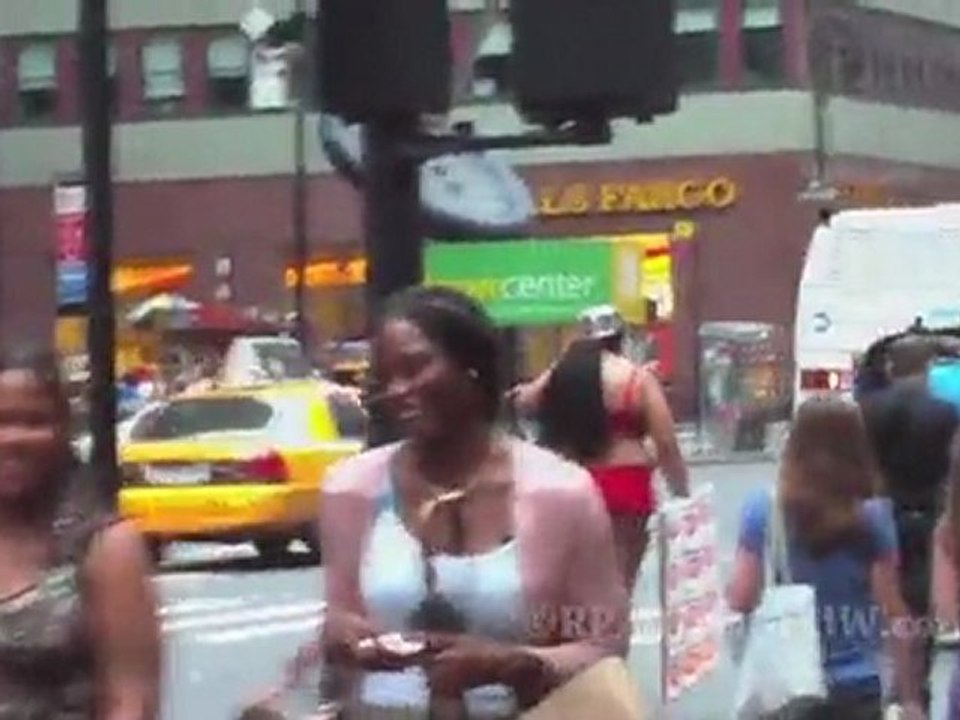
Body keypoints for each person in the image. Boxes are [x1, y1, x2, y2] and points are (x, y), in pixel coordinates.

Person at [318, 287, 629, 719]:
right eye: (384, 377)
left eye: (415, 368)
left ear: (473, 367)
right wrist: (338, 637)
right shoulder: (350, 490)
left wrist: (515, 665)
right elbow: (339, 623)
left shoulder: (561, 492)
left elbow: (604, 645)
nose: (398, 390)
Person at [727, 397, 924, 720]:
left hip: (787, 685)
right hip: (856, 684)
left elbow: (742, 597)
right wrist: (910, 696)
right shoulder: (872, 516)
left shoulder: (763, 508)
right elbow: (893, 611)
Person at [0, 345, 161, 719]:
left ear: (63, 430)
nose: (12, 438)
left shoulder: (104, 547)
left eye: (33, 421)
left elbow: (130, 700)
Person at [509, 305, 689, 594]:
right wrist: (681, 490)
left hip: (571, 480)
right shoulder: (635, 378)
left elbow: (522, 402)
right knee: (621, 580)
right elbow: (666, 441)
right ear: (619, 338)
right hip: (626, 482)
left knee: (576, 580)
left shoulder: (562, 374)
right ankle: (616, 622)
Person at [859, 335, 958, 712]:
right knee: (921, 600)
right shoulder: (944, 412)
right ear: (928, 368)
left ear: (891, 368)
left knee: (886, 596)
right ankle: (917, 683)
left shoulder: (870, 409)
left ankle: (893, 682)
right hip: (928, 511)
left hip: (883, 511)